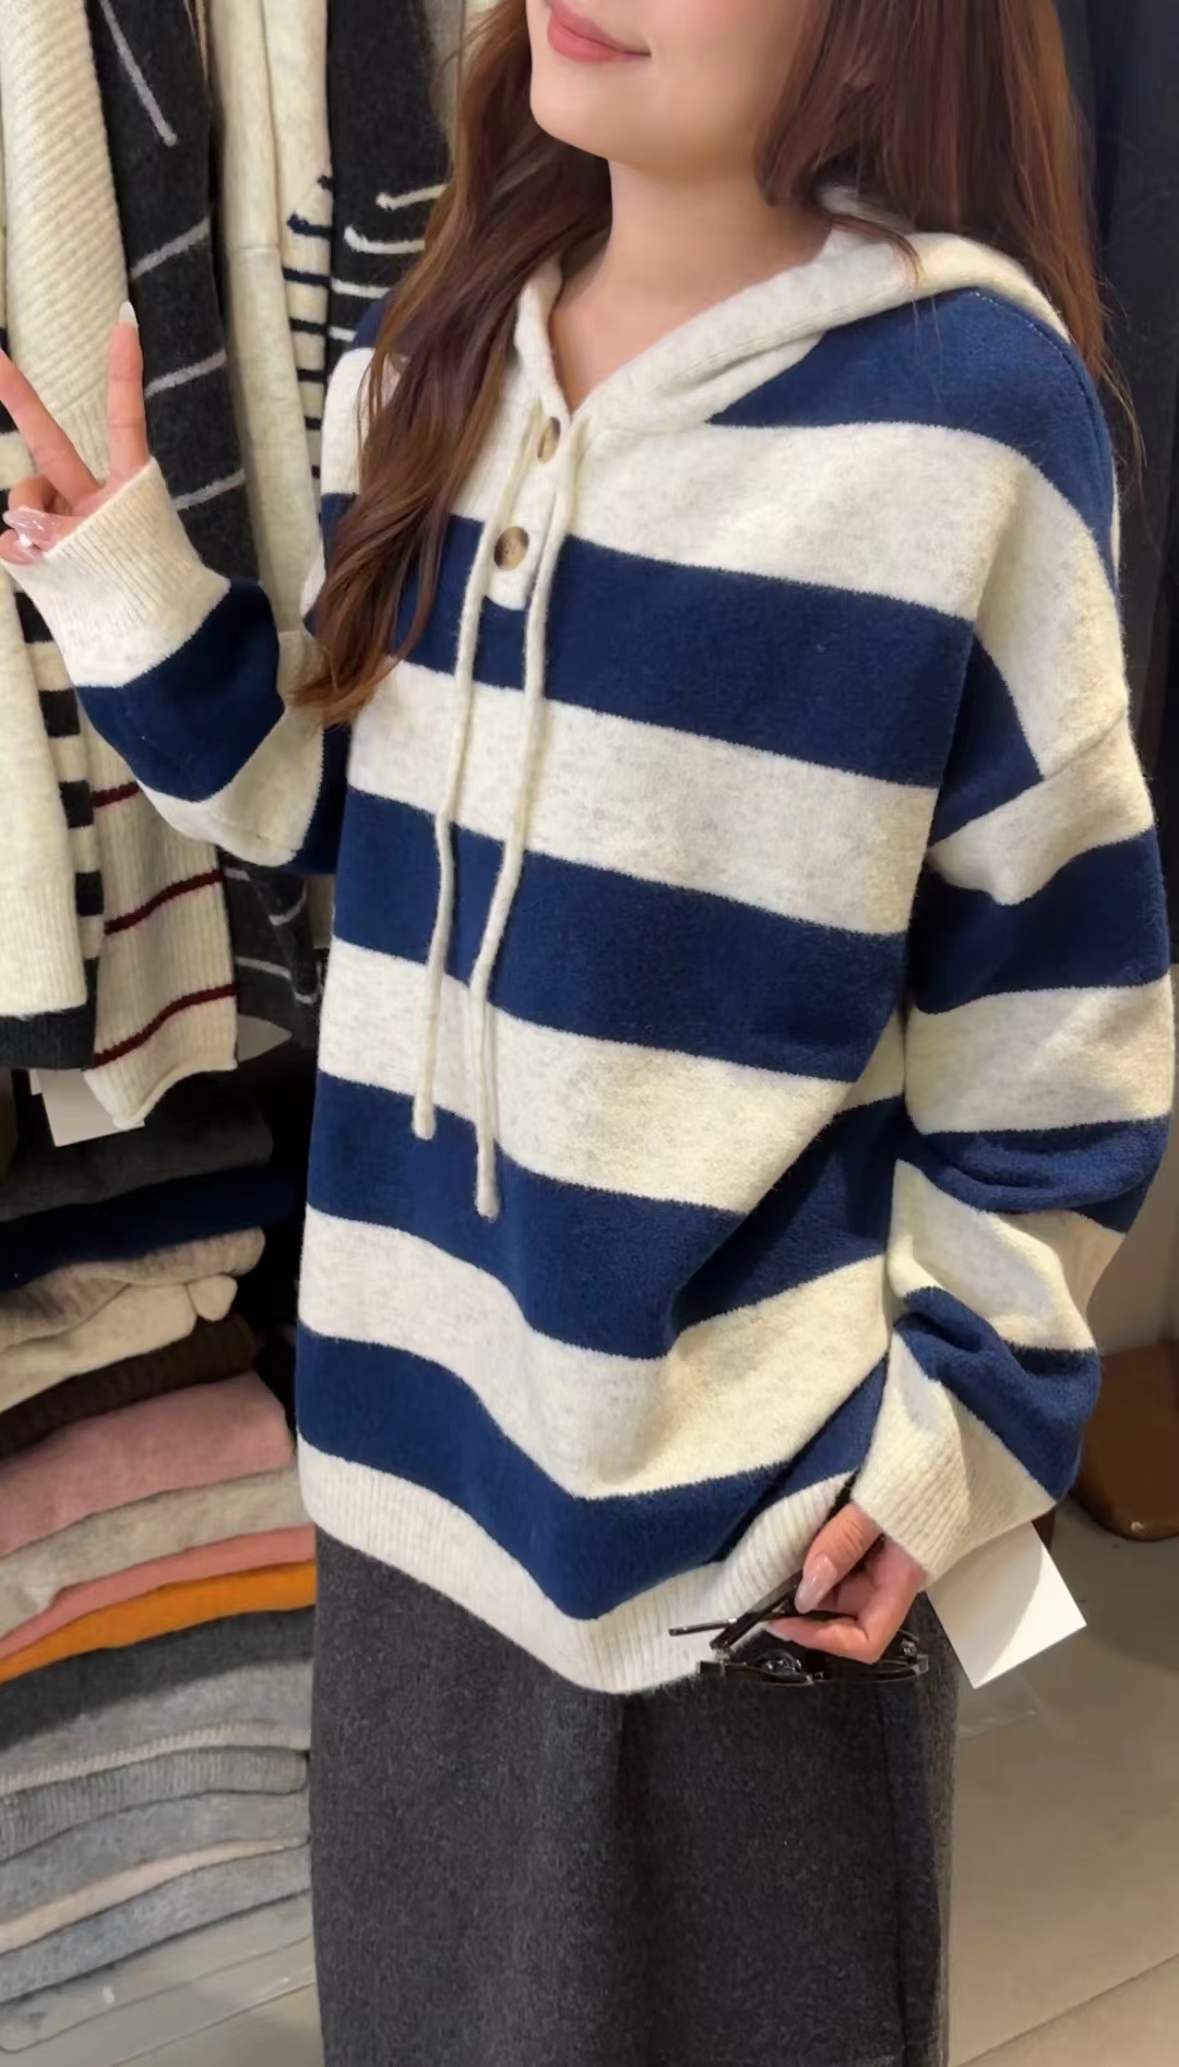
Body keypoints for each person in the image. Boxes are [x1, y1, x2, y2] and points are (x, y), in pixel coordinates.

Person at [1, 2, 1173, 2061]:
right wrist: (130, 598)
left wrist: (950, 1434)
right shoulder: (434, 346)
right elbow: (349, 809)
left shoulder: (967, 414)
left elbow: (1057, 1012)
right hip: (410, 1461)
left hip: (742, 1523)